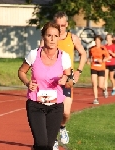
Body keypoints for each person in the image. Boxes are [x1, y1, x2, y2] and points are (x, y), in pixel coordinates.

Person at [18, 21, 73, 150]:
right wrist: (27, 82)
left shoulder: (64, 57)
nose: (52, 39)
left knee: (48, 145)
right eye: (49, 35)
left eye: (55, 35)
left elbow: (70, 81)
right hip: (35, 105)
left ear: (59, 37)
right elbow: (21, 71)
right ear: (43, 36)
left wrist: (65, 79)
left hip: (56, 107)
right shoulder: (34, 54)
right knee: (42, 143)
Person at [40, 11, 86, 149]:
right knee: (49, 111)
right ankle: (52, 140)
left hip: (67, 79)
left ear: (67, 24)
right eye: (57, 25)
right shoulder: (48, 39)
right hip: (49, 80)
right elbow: (38, 56)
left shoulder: (73, 38)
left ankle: (62, 127)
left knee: (65, 112)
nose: (60, 28)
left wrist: (78, 71)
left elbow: (83, 54)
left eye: (63, 25)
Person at [87, 35, 110, 104]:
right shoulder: (92, 49)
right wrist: (88, 61)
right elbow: (89, 57)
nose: (97, 42)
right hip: (93, 67)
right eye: (96, 40)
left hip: (101, 68)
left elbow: (108, 57)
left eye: (98, 41)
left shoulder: (103, 49)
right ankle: (96, 99)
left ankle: (104, 89)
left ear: (100, 41)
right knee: (94, 84)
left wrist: (102, 61)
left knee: (100, 85)